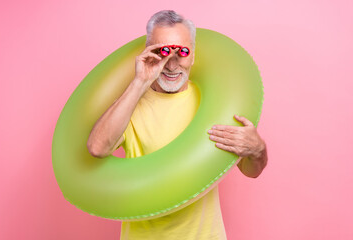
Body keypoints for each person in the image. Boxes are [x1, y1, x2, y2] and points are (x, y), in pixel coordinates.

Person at [87, 10, 268, 240]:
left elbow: (252, 171)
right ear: (147, 52)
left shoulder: (214, 104)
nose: (172, 64)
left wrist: (258, 149)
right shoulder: (130, 107)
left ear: (193, 55)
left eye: (182, 52)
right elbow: (97, 148)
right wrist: (140, 81)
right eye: (162, 51)